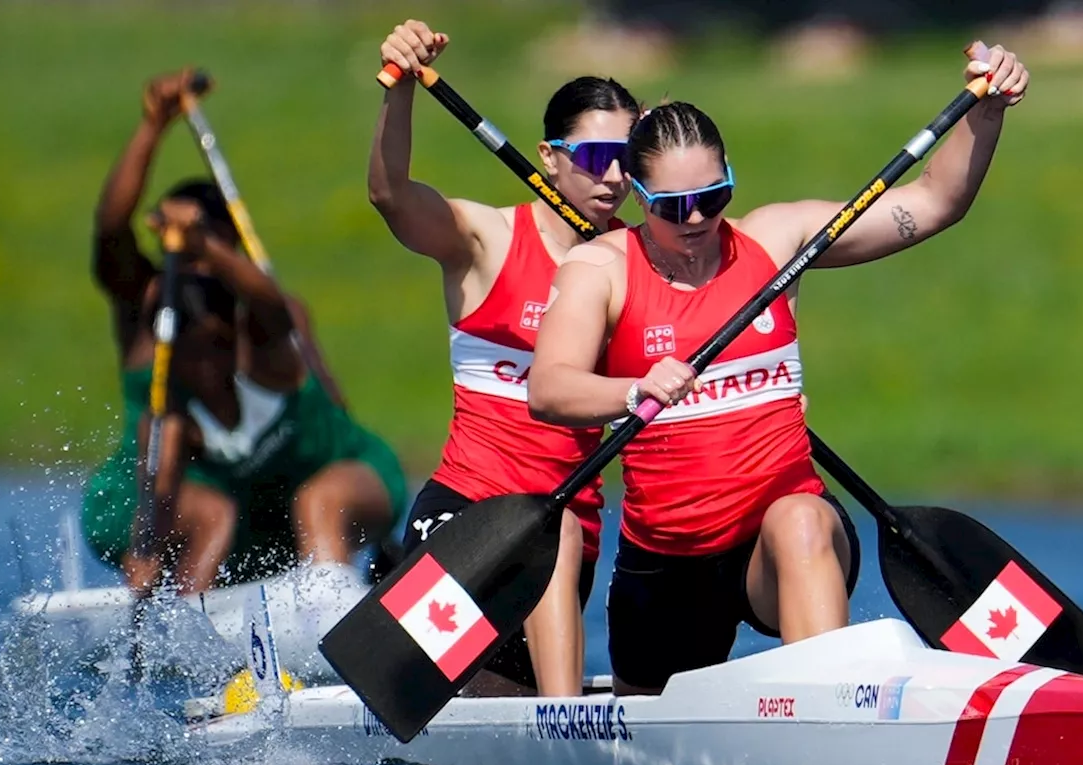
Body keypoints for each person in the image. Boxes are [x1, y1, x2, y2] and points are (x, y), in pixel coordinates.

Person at [529, 48, 1030, 694]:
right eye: (673, 207)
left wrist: (986, 110)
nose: (697, 221)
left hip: (779, 553)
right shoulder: (601, 269)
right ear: (640, 194)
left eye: (713, 197)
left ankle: (829, 714)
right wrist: (633, 388)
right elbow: (550, 387)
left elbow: (934, 203)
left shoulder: (776, 241)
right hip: (667, 563)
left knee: (799, 519)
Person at [370, 19, 640, 697]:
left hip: (572, 532)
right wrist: (400, 88)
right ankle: (559, 722)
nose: (612, 177)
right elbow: (389, 196)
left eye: (629, 160)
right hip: (464, 516)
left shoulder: (636, 265)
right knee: (542, 545)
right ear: (549, 156)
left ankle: (555, 728)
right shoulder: (486, 239)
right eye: (593, 156)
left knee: (511, 689)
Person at [82, 69, 408, 596]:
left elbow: (288, 334)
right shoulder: (151, 311)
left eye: (210, 256)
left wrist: (207, 247)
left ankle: (329, 613)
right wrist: (153, 124)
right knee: (210, 509)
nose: (196, 272)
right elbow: (110, 231)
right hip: (202, 508)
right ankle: (187, 620)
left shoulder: (264, 328)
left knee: (314, 503)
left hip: (313, 493)